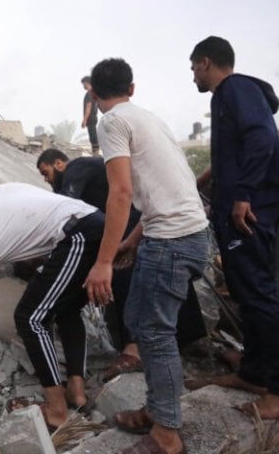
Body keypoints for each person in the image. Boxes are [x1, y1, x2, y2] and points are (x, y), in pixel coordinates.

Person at [82, 58, 209, 454]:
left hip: (171, 240)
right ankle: (158, 410)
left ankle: (167, 434)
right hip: (184, 233)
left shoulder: (112, 122)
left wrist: (102, 262)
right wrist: (134, 239)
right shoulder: (149, 118)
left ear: (94, 95)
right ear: (132, 88)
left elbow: (119, 193)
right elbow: (166, 188)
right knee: (139, 319)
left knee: (154, 332)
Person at [0, 183, 104, 430]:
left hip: (78, 235)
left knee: (29, 318)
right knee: (66, 309)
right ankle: (76, 392)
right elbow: (33, 215)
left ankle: (57, 410)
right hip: (93, 222)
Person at [189, 36, 279, 420]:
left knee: (260, 297)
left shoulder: (234, 88)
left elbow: (263, 137)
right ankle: (252, 372)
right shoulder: (230, 97)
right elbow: (237, 149)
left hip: (250, 214)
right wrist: (204, 181)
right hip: (240, 212)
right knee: (248, 293)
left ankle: (275, 393)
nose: (192, 73)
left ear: (206, 62)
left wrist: (243, 194)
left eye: (193, 66)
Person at [37, 148, 142, 381]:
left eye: (46, 173)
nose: (46, 179)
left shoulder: (77, 167)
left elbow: (66, 202)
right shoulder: (85, 173)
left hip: (128, 225)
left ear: (59, 163)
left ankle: (132, 349)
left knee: (121, 281)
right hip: (126, 224)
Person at [81, 76, 99, 156]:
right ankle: (95, 151)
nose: (83, 86)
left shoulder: (89, 93)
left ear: (86, 83)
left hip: (90, 118)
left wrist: (85, 119)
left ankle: (95, 152)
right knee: (93, 135)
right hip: (94, 117)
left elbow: (88, 106)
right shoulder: (94, 93)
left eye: (83, 84)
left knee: (93, 136)